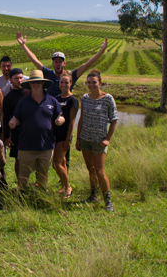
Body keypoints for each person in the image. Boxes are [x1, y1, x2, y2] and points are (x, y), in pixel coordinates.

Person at [9, 70, 64, 190]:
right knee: (23, 176)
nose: (36, 84)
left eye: (39, 82)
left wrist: (60, 120)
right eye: (34, 82)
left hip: (46, 146)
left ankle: (40, 195)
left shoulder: (52, 101)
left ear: (43, 83)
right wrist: (13, 122)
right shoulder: (23, 102)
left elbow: (60, 115)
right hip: (26, 146)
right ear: (30, 84)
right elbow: (16, 118)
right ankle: (21, 196)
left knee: (42, 175)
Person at [15, 32, 108, 97]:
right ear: (53, 63)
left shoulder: (71, 75)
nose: (58, 64)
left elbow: (87, 64)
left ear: (64, 63)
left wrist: (101, 51)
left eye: (60, 61)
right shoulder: (48, 73)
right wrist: (23, 45)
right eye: (56, 61)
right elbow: (34, 60)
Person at [75, 69, 118, 212]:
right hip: (85, 139)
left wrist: (107, 139)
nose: (91, 85)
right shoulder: (85, 98)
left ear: (100, 82)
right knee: (90, 169)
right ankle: (93, 195)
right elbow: (81, 119)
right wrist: (78, 138)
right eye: (88, 83)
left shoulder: (108, 99)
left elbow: (113, 120)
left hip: (99, 140)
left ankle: (108, 200)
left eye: (94, 82)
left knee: (100, 170)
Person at [53, 70, 78, 199]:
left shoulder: (73, 100)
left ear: (70, 83)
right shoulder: (56, 99)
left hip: (64, 136)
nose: (63, 84)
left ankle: (68, 187)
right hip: (55, 136)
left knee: (56, 163)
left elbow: (72, 122)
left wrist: (68, 140)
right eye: (61, 82)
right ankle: (63, 186)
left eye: (66, 82)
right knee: (61, 163)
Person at [2, 68, 29, 181]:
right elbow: (6, 118)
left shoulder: (30, 93)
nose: (19, 80)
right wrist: (7, 137)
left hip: (30, 131)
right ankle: (20, 184)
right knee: (18, 159)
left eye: (21, 77)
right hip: (17, 133)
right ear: (10, 80)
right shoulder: (8, 98)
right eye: (16, 78)